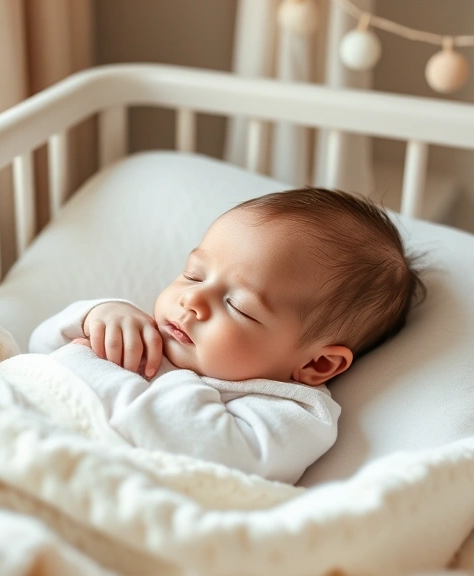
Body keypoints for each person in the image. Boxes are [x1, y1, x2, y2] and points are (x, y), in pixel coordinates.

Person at [29, 187, 425, 483]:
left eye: (238, 306)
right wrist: (95, 315)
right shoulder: (145, 332)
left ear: (316, 363)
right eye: (193, 274)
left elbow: (207, 452)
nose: (193, 300)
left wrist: (97, 369)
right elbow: (40, 353)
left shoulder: (291, 412)